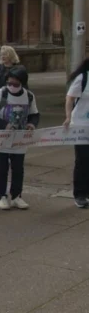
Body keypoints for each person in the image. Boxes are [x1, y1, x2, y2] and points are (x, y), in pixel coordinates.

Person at [0, 67, 38, 210]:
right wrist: (4, 125)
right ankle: (1, 196)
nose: (12, 87)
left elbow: (34, 114)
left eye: (15, 84)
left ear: (22, 83)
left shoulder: (29, 96)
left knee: (18, 168)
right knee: (1, 167)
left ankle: (16, 196)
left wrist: (32, 124)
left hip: (20, 139)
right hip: (1, 138)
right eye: (9, 83)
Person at [0, 46, 23, 165]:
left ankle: (11, 151)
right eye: (1, 53)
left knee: (13, 125)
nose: (2, 56)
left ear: (11, 55)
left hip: (14, 102)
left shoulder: (18, 69)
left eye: (5, 54)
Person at [63, 57, 89, 208]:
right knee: (82, 160)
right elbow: (69, 98)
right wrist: (68, 117)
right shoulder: (83, 78)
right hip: (81, 125)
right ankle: (80, 194)